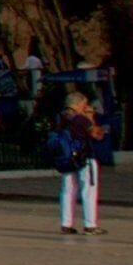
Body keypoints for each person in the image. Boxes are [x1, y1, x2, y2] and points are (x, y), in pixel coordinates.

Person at [53, 92, 108, 235]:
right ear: (78, 104)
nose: (86, 107)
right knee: (88, 190)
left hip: (66, 158)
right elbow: (97, 135)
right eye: (84, 104)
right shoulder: (81, 119)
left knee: (67, 190)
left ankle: (66, 224)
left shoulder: (61, 117)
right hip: (84, 158)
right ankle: (90, 225)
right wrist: (91, 118)